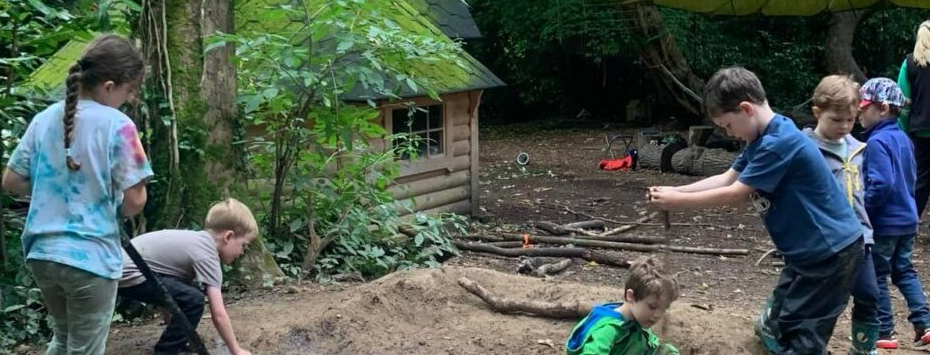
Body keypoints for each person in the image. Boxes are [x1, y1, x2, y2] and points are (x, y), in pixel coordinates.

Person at [648, 67, 863, 355]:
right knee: (781, 322)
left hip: (831, 254)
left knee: (803, 330)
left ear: (746, 109)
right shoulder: (761, 139)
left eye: (727, 125)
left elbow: (736, 194)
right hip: (806, 255)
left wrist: (677, 203)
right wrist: (674, 192)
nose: (729, 133)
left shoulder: (779, 143)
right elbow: (727, 177)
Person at [1, 33, 152, 355]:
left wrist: (53, 188)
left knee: (64, 338)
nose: (128, 100)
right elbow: (135, 200)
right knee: (85, 349)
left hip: (42, 253)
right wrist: (109, 202)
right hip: (90, 258)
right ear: (109, 86)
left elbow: (12, 181)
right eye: (129, 91)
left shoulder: (43, 119)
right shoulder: (118, 125)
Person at [118, 198, 256, 355]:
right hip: (131, 274)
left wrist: (176, 329)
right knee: (194, 299)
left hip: (123, 271)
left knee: (187, 294)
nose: (242, 252)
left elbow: (169, 294)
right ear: (228, 237)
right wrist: (236, 350)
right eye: (243, 245)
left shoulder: (195, 241)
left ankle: (178, 342)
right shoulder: (207, 255)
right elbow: (218, 313)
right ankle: (166, 351)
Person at [803, 74, 880, 354]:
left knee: (870, 293)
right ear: (817, 112)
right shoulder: (805, 149)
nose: (844, 126)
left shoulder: (859, 149)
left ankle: (863, 348)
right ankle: (802, 341)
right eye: (836, 120)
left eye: (850, 120)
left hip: (861, 237)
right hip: (822, 240)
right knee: (821, 299)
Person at [858, 77, 930, 349]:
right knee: (905, 272)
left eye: (865, 107)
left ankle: (885, 331)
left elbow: (882, 183)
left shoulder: (877, 142)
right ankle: (925, 324)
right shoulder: (904, 139)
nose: (859, 112)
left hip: (885, 224)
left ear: (883, 108)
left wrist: (864, 208)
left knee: (877, 274)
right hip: (908, 220)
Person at [565, 256, 679, 355]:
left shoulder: (639, 318)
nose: (658, 315)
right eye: (652, 307)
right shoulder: (608, 330)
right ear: (631, 296)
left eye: (664, 309)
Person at [897, 20, 930, 232]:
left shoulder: (910, 63)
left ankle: (910, 224)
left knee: (920, 182)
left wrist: (903, 132)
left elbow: (903, 103)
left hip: (920, 131)